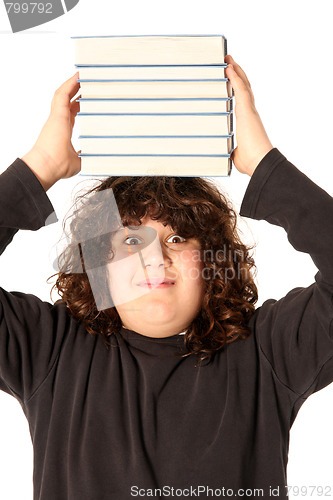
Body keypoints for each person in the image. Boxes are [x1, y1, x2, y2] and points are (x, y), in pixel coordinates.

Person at [0, 55, 332, 499]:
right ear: (99, 264)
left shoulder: (269, 349)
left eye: (178, 240)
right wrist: (39, 166)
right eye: (131, 242)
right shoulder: (47, 348)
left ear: (210, 264)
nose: (155, 260)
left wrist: (264, 163)